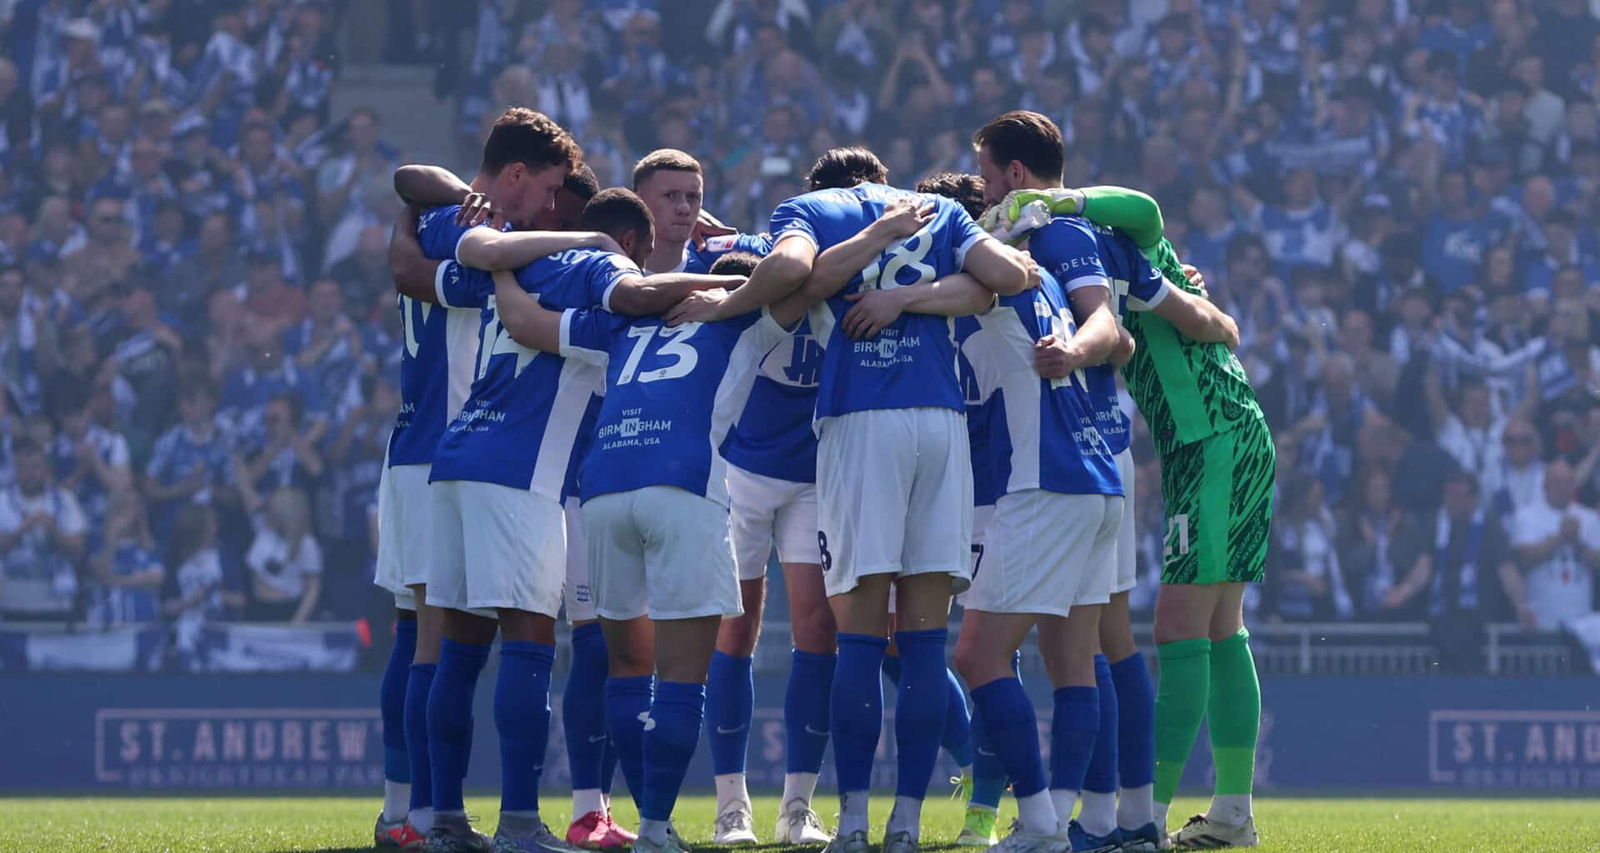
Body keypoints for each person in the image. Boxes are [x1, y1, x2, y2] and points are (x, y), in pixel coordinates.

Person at [668, 146, 1033, 853]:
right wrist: (913, 291)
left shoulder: (809, 212)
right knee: (922, 640)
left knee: (858, 638)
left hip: (860, 424)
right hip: (941, 423)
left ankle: (855, 821)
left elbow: (790, 271)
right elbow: (1004, 278)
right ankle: (907, 823)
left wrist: (727, 301)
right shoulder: (939, 210)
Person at [482, 199, 827, 853]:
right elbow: (800, 275)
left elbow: (522, 320)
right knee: (682, 678)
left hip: (603, 489)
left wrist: (497, 257)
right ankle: (658, 828)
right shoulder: (744, 320)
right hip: (683, 487)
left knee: (626, 668)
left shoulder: (621, 321)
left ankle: (644, 818)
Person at [972, 111, 1244, 852]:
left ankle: (1089, 815)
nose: (985, 191)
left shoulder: (1058, 234)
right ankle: (1118, 815)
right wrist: (1214, 318)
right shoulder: (1104, 238)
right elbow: (1139, 324)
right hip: (1105, 447)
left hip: (1075, 451)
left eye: (989, 175)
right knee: (1102, 641)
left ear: (1016, 175)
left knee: (1091, 643)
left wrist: (1076, 348)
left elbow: (1105, 327)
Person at [1512, 460, 1600, 631]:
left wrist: (1577, 543)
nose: (1562, 488)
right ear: (1545, 485)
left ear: (1574, 485)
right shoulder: (1526, 516)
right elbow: (1522, 561)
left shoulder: (1589, 518)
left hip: (1581, 618)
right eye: (1556, 482)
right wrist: (1560, 538)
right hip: (1541, 618)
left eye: (1567, 482)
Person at [242, 486, 321, 623]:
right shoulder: (264, 531)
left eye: (272, 510)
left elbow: (313, 588)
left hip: (285, 610)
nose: (268, 513)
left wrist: (297, 621)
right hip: (256, 607)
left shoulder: (306, 544)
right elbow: (246, 493)